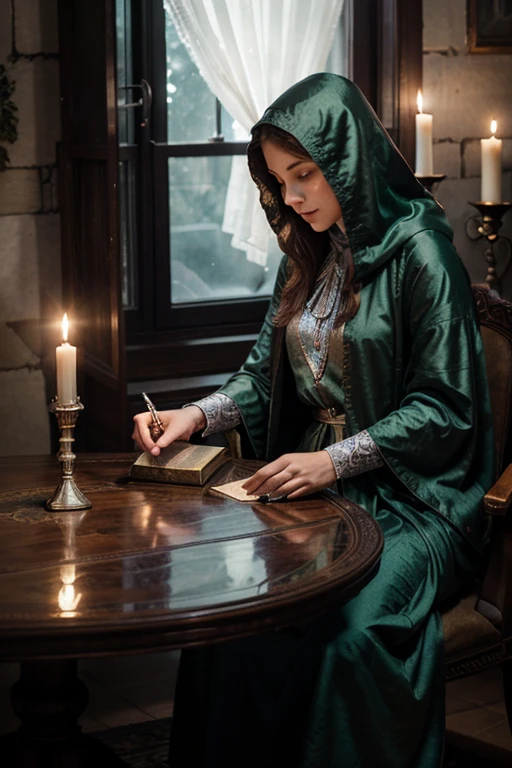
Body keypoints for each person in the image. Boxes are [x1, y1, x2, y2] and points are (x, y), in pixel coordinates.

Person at [132, 74, 495, 768]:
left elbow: (447, 408)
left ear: (350, 158)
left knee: (349, 639)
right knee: (228, 623)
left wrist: (335, 459)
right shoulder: (310, 249)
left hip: (418, 500)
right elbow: (265, 374)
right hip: (312, 491)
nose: (291, 197)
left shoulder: (424, 253)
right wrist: (194, 415)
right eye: (279, 181)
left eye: (305, 175)